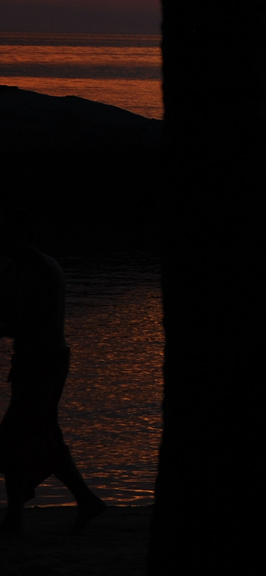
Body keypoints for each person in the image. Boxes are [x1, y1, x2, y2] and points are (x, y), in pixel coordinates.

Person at [0, 218, 104, 532]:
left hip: (45, 362)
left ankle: (15, 517)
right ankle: (83, 500)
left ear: (22, 237)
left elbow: (27, 322)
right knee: (43, 437)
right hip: (30, 360)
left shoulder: (42, 271)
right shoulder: (15, 267)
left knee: (14, 437)